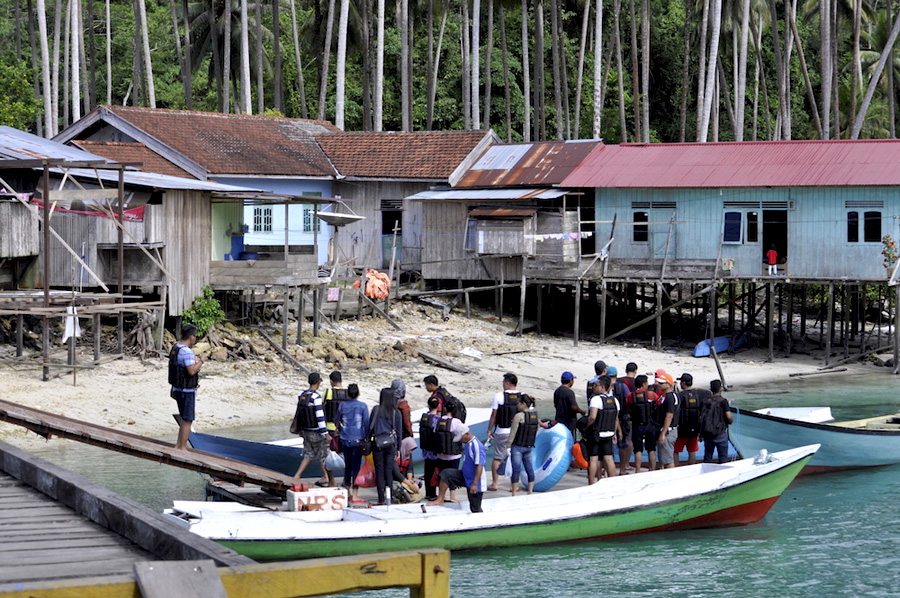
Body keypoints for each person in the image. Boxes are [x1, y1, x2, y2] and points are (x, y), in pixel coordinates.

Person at [427, 425, 487, 513]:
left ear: (466, 434)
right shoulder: (468, 445)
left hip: (475, 482)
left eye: (461, 438)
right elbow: (467, 463)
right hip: (466, 476)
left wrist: (474, 484)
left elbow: (480, 465)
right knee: (446, 474)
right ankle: (440, 499)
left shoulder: (476, 445)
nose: (461, 440)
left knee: (475, 508)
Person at [291, 372, 334, 486]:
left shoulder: (302, 395)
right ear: (318, 382)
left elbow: (299, 413)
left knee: (309, 454)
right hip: (316, 432)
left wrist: (299, 430)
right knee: (323, 455)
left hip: (305, 430)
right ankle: (327, 478)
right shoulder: (316, 397)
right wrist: (325, 433)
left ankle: (297, 476)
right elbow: (320, 417)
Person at [168, 324, 206, 450]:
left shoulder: (176, 348)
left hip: (177, 388)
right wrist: (201, 361)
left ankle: (178, 445)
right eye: (195, 336)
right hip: (186, 390)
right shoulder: (187, 351)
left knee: (184, 417)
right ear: (191, 337)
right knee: (188, 419)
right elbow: (191, 371)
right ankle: (182, 447)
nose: (195, 339)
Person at [487, 373, 521, 492]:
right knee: (514, 458)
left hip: (502, 431)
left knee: (497, 457)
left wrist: (489, 430)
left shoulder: (499, 396)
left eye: (503, 382)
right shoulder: (522, 397)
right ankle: (513, 486)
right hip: (517, 433)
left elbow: (494, 415)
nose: (502, 384)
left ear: (507, 383)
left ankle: (495, 484)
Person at [369, 387, 403, 505]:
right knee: (389, 471)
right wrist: (398, 448)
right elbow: (399, 432)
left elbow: (370, 426)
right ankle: (390, 497)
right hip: (391, 444)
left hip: (377, 444)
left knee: (379, 471)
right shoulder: (396, 412)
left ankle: (381, 499)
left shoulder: (376, 409)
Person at [585, 375, 621, 484]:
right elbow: (615, 419)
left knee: (593, 459)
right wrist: (615, 432)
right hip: (609, 433)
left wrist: (586, 427)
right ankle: (612, 481)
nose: (594, 387)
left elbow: (592, 417)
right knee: (608, 458)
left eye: (596, 385)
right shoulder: (615, 400)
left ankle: (591, 483)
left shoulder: (595, 399)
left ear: (603, 387)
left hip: (596, 434)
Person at [337, 383, 369, 504]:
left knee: (347, 465)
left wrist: (342, 431)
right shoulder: (363, 406)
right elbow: (366, 423)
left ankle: (347, 491)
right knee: (356, 467)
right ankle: (355, 494)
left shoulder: (342, 405)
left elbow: (337, 421)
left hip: (345, 439)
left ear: (347, 394)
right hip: (358, 439)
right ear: (358, 393)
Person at [675, 373, 710, 466]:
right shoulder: (698, 394)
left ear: (683, 383)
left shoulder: (680, 395)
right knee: (692, 451)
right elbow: (708, 392)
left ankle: (675, 469)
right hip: (695, 428)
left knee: (675, 451)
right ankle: (691, 468)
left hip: (682, 429)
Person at [508, 394, 540, 495]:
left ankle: (514, 492)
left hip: (517, 447)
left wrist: (508, 446)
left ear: (523, 404)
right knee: (529, 468)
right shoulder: (535, 416)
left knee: (516, 469)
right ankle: (530, 491)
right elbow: (536, 430)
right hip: (529, 447)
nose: (517, 405)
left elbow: (513, 432)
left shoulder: (518, 416)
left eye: (519, 403)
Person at [321, 370, 348, 486]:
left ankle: (331, 480)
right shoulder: (347, 393)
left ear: (331, 381)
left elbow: (322, 409)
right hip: (344, 429)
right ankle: (346, 480)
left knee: (326, 455)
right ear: (341, 380)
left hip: (330, 428)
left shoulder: (327, 392)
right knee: (345, 455)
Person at [627, 374, 658, 473]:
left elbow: (628, 407)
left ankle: (638, 470)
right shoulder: (651, 394)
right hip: (649, 424)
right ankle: (652, 469)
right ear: (644, 384)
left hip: (637, 424)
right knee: (651, 448)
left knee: (637, 449)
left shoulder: (630, 395)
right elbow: (658, 405)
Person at [700, 379, 734, 463]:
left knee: (708, 457)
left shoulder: (705, 401)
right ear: (720, 389)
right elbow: (728, 416)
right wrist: (730, 421)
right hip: (720, 433)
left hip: (707, 433)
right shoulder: (723, 401)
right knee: (723, 457)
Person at [608, 366, 633, 475]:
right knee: (623, 444)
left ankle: (607, 469)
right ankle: (622, 469)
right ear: (616, 376)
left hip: (608, 418)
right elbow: (628, 398)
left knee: (608, 445)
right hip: (622, 418)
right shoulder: (622, 386)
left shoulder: (604, 387)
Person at [652, 370, 679, 470]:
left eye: (661, 383)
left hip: (668, 431)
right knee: (664, 458)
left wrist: (663, 433)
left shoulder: (670, 397)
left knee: (667, 460)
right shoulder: (664, 396)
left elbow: (669, 416)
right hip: (664, 429)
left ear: (668, 384)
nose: (658, 384)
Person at [419, 396, 443, 500]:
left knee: (427, 472)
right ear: (438, 406)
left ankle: (428, 492)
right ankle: (433, 494)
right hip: (434, 451)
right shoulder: (438, 420)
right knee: (434, 472)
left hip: (425, 450)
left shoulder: (424, 417)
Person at [553, 371, 584, 438]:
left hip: (559, 422)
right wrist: (581, 411)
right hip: (569, 423)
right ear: (570, 381)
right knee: (570, 441)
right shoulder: (569, 392)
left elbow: (555, 405)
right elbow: (574, 407)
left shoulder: (557, 391)